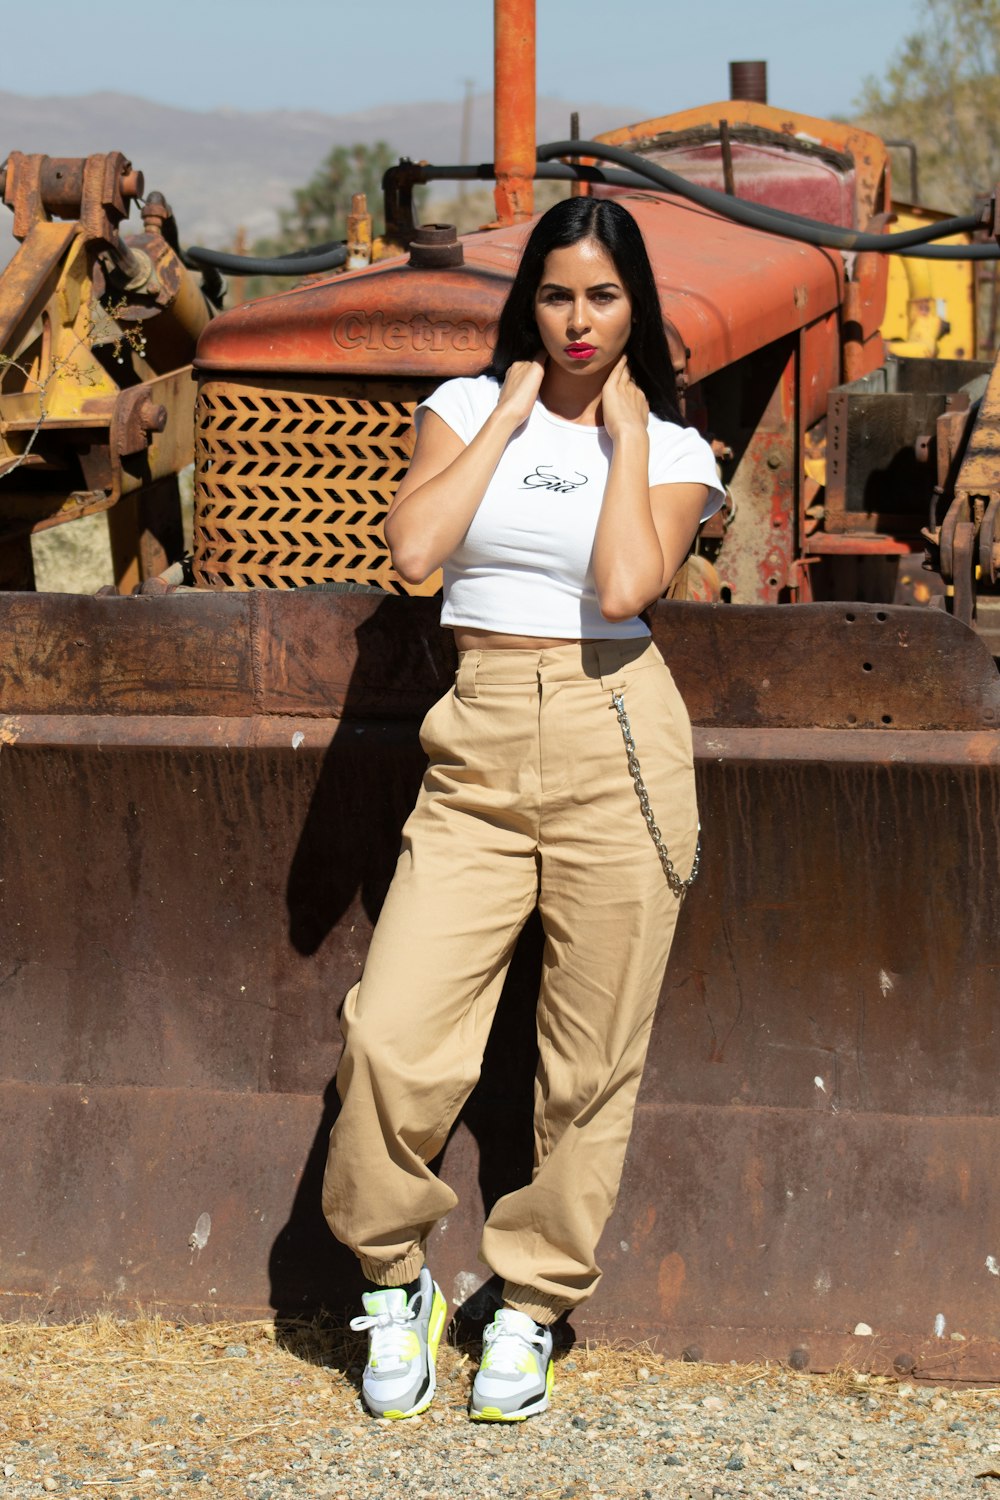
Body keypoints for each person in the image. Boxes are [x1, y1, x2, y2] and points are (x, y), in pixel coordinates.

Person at [322, 195, 724, 1423]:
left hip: (617, 736)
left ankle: (534, 1306)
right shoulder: (458, 412)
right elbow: (413, 552)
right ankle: (396, 1281)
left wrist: (627, 428)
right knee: (392, 1035)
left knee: (588, 1062)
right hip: (478, 743)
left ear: (634, 307)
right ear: (529, 302)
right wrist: (504, 410)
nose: (579, 320)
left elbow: (619, 583)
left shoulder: (675, 454)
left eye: (603, 298)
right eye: (557, 294)